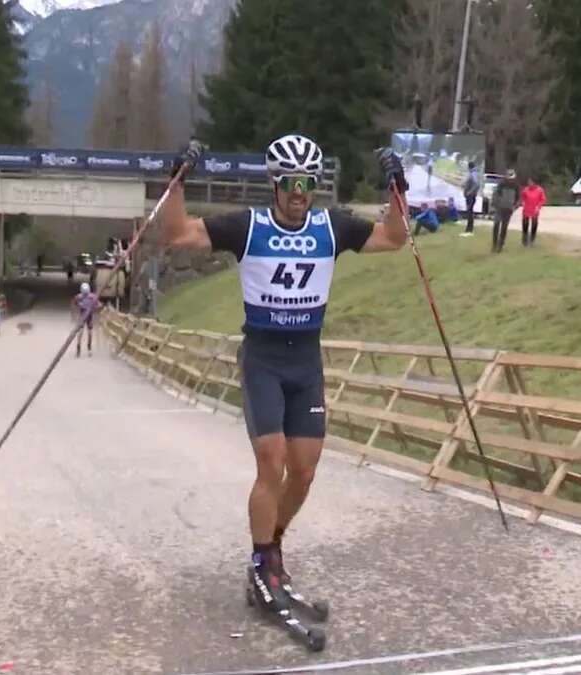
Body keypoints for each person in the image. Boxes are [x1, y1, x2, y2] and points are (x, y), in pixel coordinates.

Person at [158, 134, 408, 620]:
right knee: (271, 463)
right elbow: (178, 234)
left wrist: (398, 189)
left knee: (306, 470)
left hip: (305, 362)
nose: (300, 191)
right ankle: (261, 564)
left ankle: (270, 549)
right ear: (274, 183)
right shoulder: (246, 225)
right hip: (264, 359)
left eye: (308, 182)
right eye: (291, 182)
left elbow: (395, 238)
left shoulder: (330, 227)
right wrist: (177, 181)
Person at [491, 170, 521, 253]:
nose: (510, 179)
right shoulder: (501, 184)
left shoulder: (516, 186)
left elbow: (518, 199)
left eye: (511, 177)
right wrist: (494, 205)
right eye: (509, 177)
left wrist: (514, 207)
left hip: (508, 209)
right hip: (499, 208)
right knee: (496, 225)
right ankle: (494, 244)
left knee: (504, 227)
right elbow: (496, 195)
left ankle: (500, 245)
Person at [71, 282, 101, 357]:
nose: (85, 295)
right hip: (82, 316)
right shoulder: (79, 297)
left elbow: (99, 305)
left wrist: (94, 307)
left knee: (90, 333)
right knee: (80, 332)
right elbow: (74, 304)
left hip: (89, 316)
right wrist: (79, 306)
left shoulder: (93, 297)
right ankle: (78, 348)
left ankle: (89, 348)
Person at [520, 177, 547, 247]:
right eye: (528, 182)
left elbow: (543, 199)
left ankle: (532, 239)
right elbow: (522, 197)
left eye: (531, 182)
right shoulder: (525, 190)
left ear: (534, 183)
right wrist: (523, 202)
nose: (529, 183)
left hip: (535, 209)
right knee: (525, 224)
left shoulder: (540, 190)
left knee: (534, 224)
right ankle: (524, 239)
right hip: (526, 209)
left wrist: (538, 206)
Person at [461, 162, 480, 237]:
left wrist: (469, 192)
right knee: (469, 212)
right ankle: (469, 229)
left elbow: (476, 184)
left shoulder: (473, 173)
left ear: (469, 167)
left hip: (471, 196)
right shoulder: (473, 173)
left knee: (469, 213)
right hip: (470, 196)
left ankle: (469, 229)